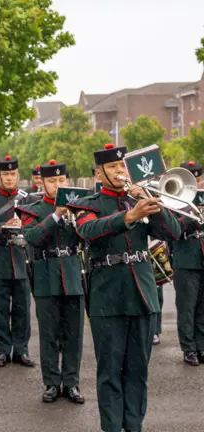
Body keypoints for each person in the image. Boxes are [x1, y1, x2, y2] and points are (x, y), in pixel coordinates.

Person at [66, 143, 180, 432]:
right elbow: (88, 231)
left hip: (142, 295)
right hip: (107, 298)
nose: (120, 171)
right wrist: (128, 216)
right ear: (98, 173)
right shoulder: (87, 204)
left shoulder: (138, 198)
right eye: (114, 167)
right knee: (109, 372)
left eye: (123, 166)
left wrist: (152, 204)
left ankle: (134, 426)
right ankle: (112, 428)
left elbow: (174, 233)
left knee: (138, 371)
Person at [18, 160, 85, 404]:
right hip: (46, 277)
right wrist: (56, 214)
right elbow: (33, 237)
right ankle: (51, 383)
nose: (58, 185)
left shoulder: (79, 207)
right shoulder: (32, 210)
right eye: (52, 181)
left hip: (72, 276)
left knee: (73, 334)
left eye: (61, 180)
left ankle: (71, 383)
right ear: (42, 183)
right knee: (49, 334)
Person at [0, 155, 36, 368]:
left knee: (22, 310)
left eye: (13, 174)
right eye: (5, 174)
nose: (9, 178)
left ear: (18, 175)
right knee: (0, 310)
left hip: (22, 261)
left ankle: (21, 350)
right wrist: (3, 227)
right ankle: (2, 350)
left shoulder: (29, 200)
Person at [169, 160, 204, 366]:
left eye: (198, 178)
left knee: (202, 307)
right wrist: (190, 216)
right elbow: (171, 229)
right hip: (185, 258)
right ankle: (188, 348)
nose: (196, 183)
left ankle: (201, 346)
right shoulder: (173, 201)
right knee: (187, 308)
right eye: (192, 179)